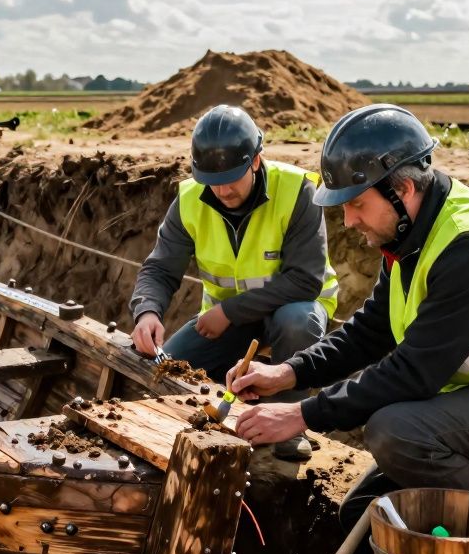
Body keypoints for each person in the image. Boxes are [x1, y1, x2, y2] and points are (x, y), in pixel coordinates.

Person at [227, 104, 469, 554]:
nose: (348, 221)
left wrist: (301, 414)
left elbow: (414, 371)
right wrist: (288, 373)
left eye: (356, 203)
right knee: (360, 520)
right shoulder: (412, 234)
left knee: (395, 432)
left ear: (402, 188)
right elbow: (372, 331)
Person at [130, 104, 339, 460]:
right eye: (212, 181)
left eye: (231, 178)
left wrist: (229, 310)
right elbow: (159, 270)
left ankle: (288, 426)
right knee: (169, 367)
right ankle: (211, 423)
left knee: (296, 320)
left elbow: (305, 281)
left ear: (255, 161)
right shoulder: (189, 201)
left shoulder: (298, 191)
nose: (222, 191)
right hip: (227, 323)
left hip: (291, 313)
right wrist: (147, 312)